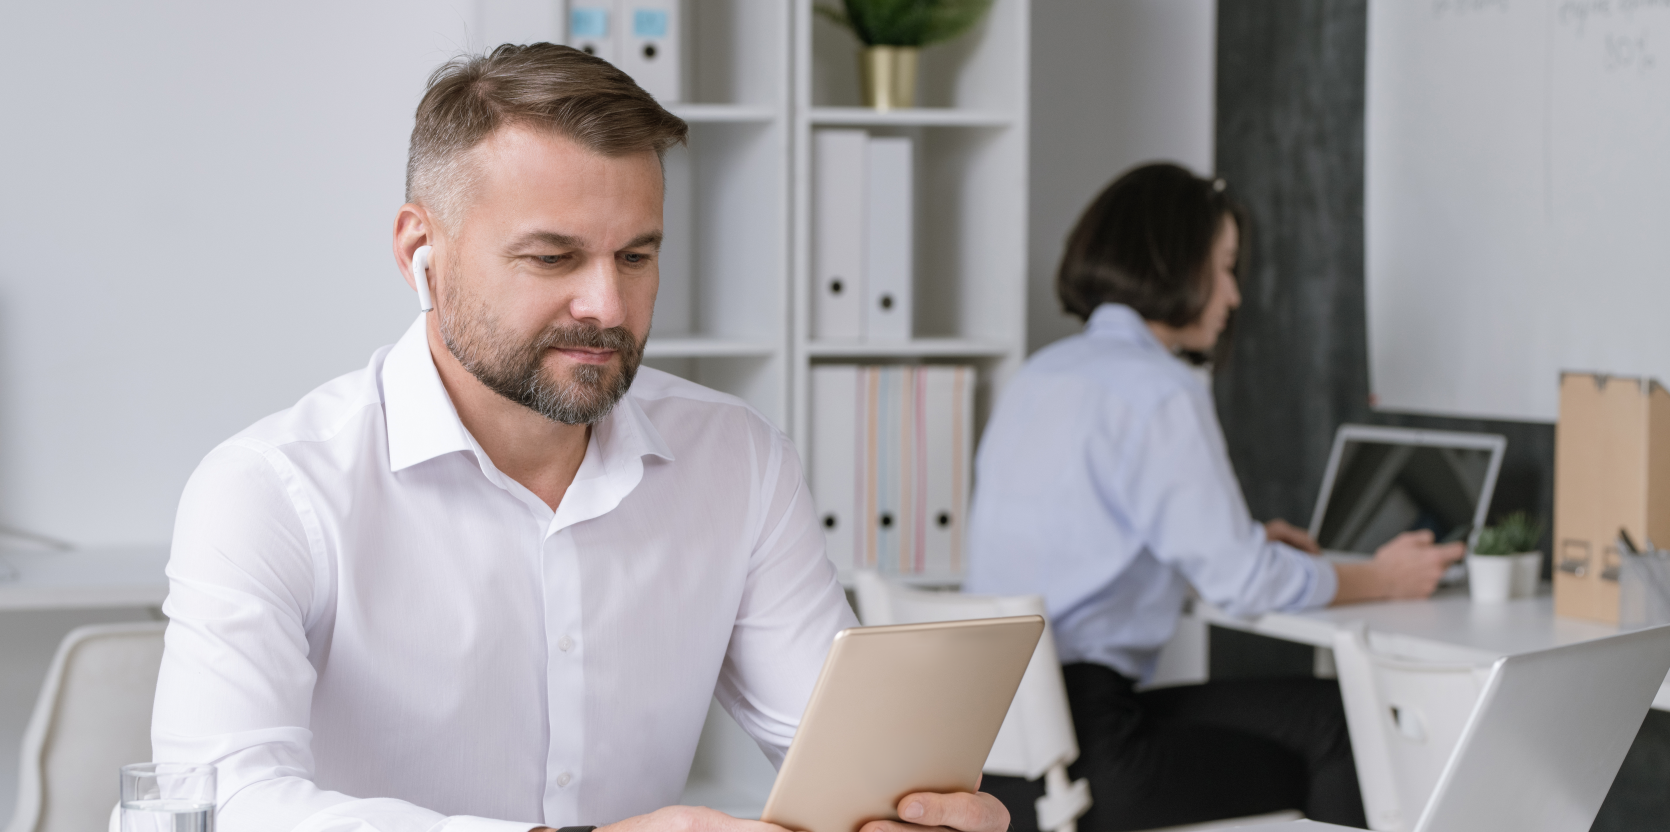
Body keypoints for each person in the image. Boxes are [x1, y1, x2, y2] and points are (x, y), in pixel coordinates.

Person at [150, 44, 1011, 832]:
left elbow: (848, 767)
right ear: (422, 250)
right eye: (553, 258)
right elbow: (223, 803)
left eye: (636, 257)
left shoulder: (737, 461)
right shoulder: (270, 490)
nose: (606, 306)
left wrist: (914, 814)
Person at [965, 163, 1464, 831]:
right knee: (1344, 724)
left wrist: (1242, 536)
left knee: (1323, 715)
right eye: (1225, 267)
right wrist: (1382, 576)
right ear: (1172, 261)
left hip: (996, 756)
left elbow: (1100, 529)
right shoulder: (1161, 389)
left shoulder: (1040, 375)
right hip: (1095, 755)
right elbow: (1244, 583)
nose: (1232, 296)